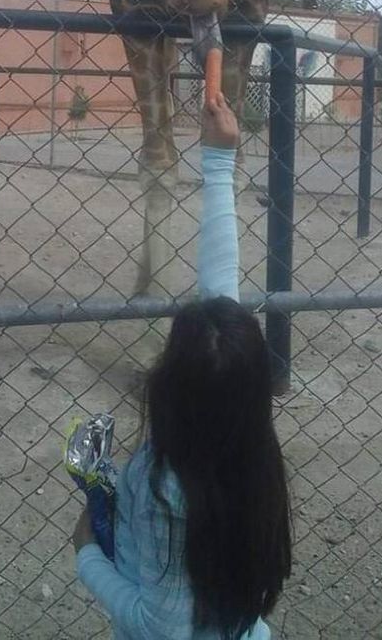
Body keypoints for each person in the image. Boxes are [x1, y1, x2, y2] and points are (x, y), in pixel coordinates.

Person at [72, 93, 292, 639]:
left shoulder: (164, 484)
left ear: (168, 382)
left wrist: (86, 555)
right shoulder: (250, 450)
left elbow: (160, 626)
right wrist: (218, 163)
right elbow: (221, 299)